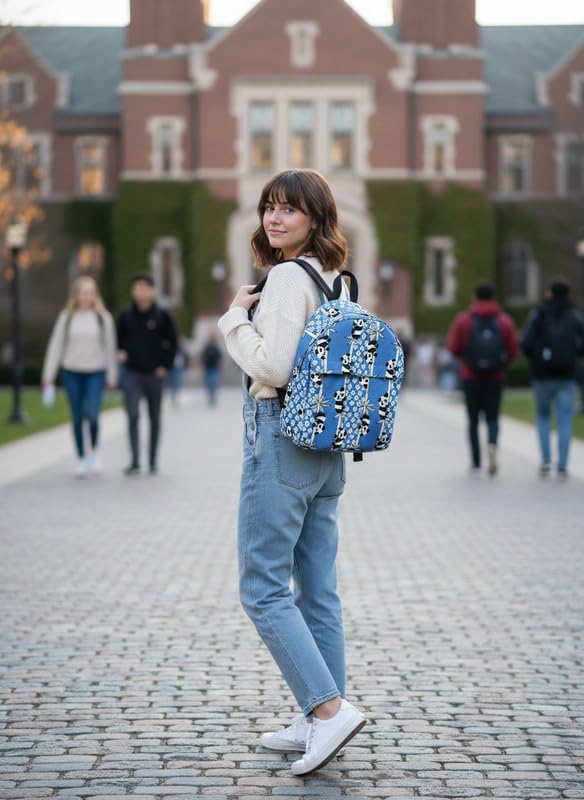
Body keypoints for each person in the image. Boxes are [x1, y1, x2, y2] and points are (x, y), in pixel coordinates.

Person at [217, 169, 366, 777]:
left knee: (263, 589)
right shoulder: (337, 279)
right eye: (268, 208)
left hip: (280, 437)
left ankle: (328, 712)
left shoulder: (283, 277)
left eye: (288, 210)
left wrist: (232, 320)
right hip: (326, 448)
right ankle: (315, 718)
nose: (273, 219)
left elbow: (274, 366)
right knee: (318, 591)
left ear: (315, 217)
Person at [42, 276, 117, 477]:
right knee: (76, 416)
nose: (87, 296)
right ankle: (81, 457)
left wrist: (112, 376)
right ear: (76, 295)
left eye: (91, 292)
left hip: (96, 372)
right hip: (72, 371)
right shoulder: (66, 317)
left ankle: (93, 451)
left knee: (92, 415)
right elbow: (55, 347)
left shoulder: (103, 318)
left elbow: (110, 348)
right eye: (84, 292)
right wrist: (48, 375)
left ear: (95, 295)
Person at [447, 281, 518, 476]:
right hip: (495, 377)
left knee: (472, 420)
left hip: (470, 377)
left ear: (475, 297)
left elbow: (453, 347)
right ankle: (492, 446)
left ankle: (476, 461)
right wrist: (501, 364)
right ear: (493, 297)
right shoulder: (504, 321)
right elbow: (512, 349)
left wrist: (466, 359)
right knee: (493, 418)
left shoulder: (463, 320)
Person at [522, 277, 584, 479]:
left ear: (549, 292)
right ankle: (563, 465)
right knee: (565, 419)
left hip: (542, 376)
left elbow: (526, 343)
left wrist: (537, 360)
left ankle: (546, 461)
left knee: (542, 417)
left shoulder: (538, 315)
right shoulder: (574, 316)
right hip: (567, 375)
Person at [117, 274, 178, 475]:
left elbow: (173, 343)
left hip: (154, 374)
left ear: (152, 291)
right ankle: (134, 460)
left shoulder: (161, 316)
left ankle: (152, 460)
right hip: (132, 373)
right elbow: (119, 341)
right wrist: (120, 353)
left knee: (154, 417)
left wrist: (165, 365)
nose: (141, 292)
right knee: (133, 414)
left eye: (145, 288)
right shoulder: (126, 315)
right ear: (133, 291)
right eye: (137, 288)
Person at [200, 332, 223, 405]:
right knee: (209, 383)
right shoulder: (207, 347)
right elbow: (203, 356)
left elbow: (220, 356)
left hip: (214, 367)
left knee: (214, 382)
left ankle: (213, 396)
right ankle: (210, 396)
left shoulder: (216, 347)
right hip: (208, 367)